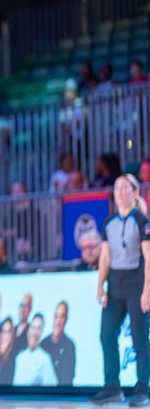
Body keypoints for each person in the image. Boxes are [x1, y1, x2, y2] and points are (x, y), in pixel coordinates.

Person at [92, 174, 150, 406]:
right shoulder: (108, 223)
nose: (121, 191)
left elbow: (148, 257)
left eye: (126, 187)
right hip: (115, 282)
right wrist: (100, 286)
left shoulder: (142, 221)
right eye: (117, 187)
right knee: (106, 335)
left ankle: (143, 387)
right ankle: (112, 386)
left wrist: (147, 289)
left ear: (135, 192)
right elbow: (105, 257)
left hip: (136, 282)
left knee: (139, 338)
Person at [13, 314, 58, 386]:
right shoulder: (19, 357)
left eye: (39, 328)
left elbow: (52, 390)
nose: (35, 332)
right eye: (33, 327)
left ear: (41, 333)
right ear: (28, 330)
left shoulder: (45, 360)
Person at [41, 301, 76, 385]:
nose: (58, 321)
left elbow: (69, 377)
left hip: (62, 395)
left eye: (62, 317)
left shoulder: (70, 346)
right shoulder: (43, 344)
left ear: (66, 320)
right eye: (56, 316)